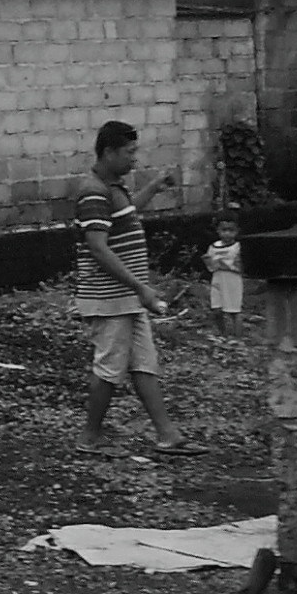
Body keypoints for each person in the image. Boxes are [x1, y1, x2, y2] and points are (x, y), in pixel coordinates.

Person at [72, 119, 195, 456]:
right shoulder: (93, 191)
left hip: (126, 297)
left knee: (144, 364)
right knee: (109, 370)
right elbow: (98, 247)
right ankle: (89, 439)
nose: (134, 159)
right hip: (108, 298)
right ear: (109, 152)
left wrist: (153, 188)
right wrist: (141, 287)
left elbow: (125, 216)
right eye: (129, 152)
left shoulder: (112, 186)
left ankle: (168, 435)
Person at [205, 213, 244, 338]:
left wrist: (227, 265)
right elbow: (209, 263)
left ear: (237, 231)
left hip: (232, 280)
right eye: (224, 230)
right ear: (218, 231)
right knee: (217, 310)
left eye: (231, 230)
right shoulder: (213, 247)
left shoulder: (238, 247)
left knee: (234, 311)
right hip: (217, 280)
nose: (227, 233)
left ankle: (239, 339)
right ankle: (224, 335)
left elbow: (241, 266)